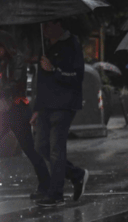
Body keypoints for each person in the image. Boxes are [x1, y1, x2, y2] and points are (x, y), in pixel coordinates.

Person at [31, 20, 90, 207]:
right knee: (41, 146)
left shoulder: (71, 45)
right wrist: (36, 109)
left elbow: (76, 76)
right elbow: (41, 81)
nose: (44, 30)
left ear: (58, 25)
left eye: (47, 25)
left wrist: (54, 69)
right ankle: (76, 174)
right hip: (46, 106)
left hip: (63, 105)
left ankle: (56, 193)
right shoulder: (45, 46)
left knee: (57, 149)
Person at [0, 36, 50, 199]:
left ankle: (46, 184)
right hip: (6, 110)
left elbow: (14, 84)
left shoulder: (17, 60)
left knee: (29, 149)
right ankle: (46, 184)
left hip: (17, 109)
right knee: (30, 149)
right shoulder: (4, 61)